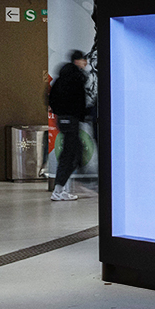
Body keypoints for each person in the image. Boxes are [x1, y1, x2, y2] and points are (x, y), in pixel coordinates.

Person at [46, 50, 90, 202]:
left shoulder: (62, 77)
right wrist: (80, 114)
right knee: (71, 154)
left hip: (63, 119)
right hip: (71, 120)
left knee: (70, 153)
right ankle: (58, 190)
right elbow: (79, 101)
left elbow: (51, 97)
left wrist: (59, 112)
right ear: (77, 61)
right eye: (83, 60)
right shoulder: (76, 78)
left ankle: (61, 188)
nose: (86, 63)